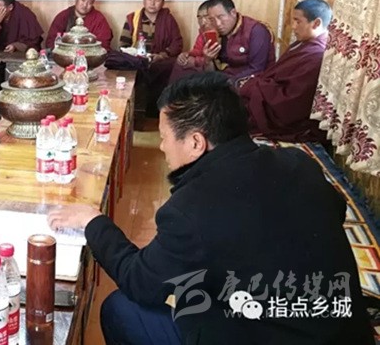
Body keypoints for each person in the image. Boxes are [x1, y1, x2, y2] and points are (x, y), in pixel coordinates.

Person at [48, 72, 371, 345]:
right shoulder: (298, 163)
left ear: (195, 143)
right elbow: (334, 209)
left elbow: (141, 282)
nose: (161, 146)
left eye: (164, 137)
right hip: (344, 330)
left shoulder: (190, 210)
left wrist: (94, 222)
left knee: (122, 309)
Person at [238, 0, 332, 142]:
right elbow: (277, 74)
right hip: (268, 96)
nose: (293, 27)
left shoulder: (316, 55)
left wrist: (255, 86)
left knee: (231, 116)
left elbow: (293, 100)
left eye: (298, 21)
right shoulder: (303, 44)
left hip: (285, 116)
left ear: (316, 23)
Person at [109, 0, 183, 117]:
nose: (152, 3)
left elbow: (177, 43)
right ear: (144, 0)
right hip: (137, 60)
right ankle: (130, 112)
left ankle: (155, 112)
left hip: (160, 60)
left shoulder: (168, 19)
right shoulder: (133, 18)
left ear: (163, 3)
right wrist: (134, 55)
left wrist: (162, 55)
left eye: (157, 0)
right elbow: (124, 44)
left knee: (170, 68)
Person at [171, 0, 274, 83]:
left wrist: (228, 82)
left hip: (249, 80)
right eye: (212, 19)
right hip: (224, 77)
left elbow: (257, 69)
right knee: (184, 73)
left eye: (221, 17)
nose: (218, 24)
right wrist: (208, 59)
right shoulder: (216, 33)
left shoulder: (256, 30)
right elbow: (213, 70)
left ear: (233, 13)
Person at [46, 0, 113, 50]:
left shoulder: (99, 19)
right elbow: (52, 39)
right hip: (64, 54)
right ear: (76, 0)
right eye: (83, 0)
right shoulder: (63, 16)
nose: (85, 5)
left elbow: (103, 43)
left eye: (89, 2)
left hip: (89, 55)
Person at [176, 1, 215, 71]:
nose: (203, 22)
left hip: (214, 67)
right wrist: (186, 54)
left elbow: (215, 59)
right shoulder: (202, 32)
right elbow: (198, 50)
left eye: (206, 17)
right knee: (180, 64)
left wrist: (196, 61)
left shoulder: (220, 31)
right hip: (203, 63)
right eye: (199, 18)